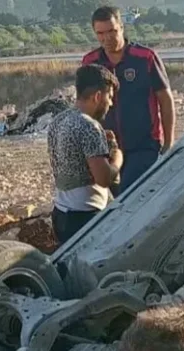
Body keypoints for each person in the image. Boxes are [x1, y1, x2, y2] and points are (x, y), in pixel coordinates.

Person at [82, 6, 175, 193]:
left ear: (121, 28)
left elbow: (165, 100)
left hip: (144, 146)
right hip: (107, 149)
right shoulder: (90, 63)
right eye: (100, 33)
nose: (107, 38)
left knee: (130, 193)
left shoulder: (145, 58)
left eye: (112, 31)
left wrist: (169, 144)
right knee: (113, 200)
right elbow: (86, 106)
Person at [48, 64, 123, 243]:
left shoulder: (59, 121)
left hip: (60, 213)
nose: (111, 104)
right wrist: (117, 157)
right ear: (98, 96)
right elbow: (104, 179)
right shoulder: (89, 126)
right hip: (84, 218)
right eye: (110, 97)